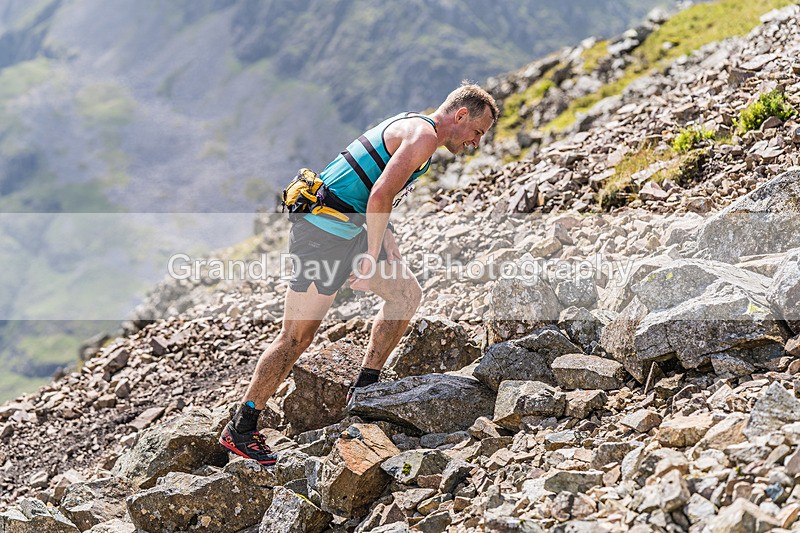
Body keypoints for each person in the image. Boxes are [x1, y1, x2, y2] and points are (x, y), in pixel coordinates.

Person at [219, 82, 498, 465]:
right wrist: (371, 253)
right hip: (321, 233)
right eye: (477, 132)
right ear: (461, 115)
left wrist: (387, 238)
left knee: (406, 295)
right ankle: (241, 428)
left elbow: (376, 185)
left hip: (348, 228)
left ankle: (365, 389)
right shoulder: (422, 137)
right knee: (295, 338)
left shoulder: (416, 127)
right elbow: (379, 194)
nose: (475, 143)